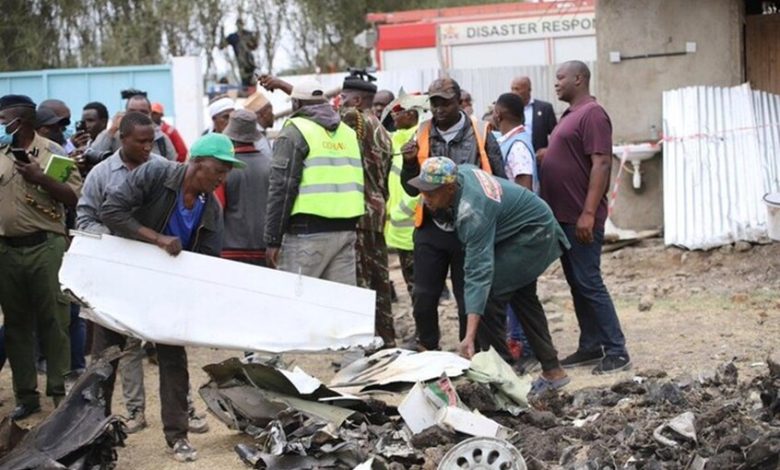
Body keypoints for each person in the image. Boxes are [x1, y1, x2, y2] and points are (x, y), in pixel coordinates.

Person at [99, 133, 243, 462]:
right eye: (219, 169)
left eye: (227, 171)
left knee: (173, 360)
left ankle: (177, 436)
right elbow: (111, 211)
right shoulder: (155, 174)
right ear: (197, 162)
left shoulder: (211, 208)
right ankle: (93, 428)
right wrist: (157, 239)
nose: (223, 177)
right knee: (106, 358)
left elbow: (208, 260)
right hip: (123, 279)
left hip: (167, 291)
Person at [408, 157, 570, 393]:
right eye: (423, 191)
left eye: (432, 193)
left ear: (450, 188)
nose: (426, 198)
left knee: (488, 297)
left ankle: (503, 378)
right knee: (523, 297)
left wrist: (469, 336)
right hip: (524, 229)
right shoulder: (461, 174)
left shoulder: (471, 212)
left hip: (533, 234)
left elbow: (478, 273)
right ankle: (553, 370)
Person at [400, 77, 506, 351]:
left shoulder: (481, 132)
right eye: (434, 103)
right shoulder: (421, 133)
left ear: (459, 102)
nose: (439, 109)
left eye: (445, 103)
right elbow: (410, 189)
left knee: (466, 295)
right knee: (424, 295)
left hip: (470, 225)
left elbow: (500, 182)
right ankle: (427, 345)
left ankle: (467, 349)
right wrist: (409, 163)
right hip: (431, 225)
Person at [540, 60, 631, 374]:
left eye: (560, 77)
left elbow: (602, 163)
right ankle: (591, 345)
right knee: (577, 283)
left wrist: (589, 213)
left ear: (579, 79)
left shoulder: (592, 113)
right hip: (564, 216)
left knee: (589, 282)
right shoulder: (570, 115)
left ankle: (617, 351)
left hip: (580, 216)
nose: (556, 83)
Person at [0, 94, 81, 420]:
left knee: (54, 321)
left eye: (2, 120)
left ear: (19, 122)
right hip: (6, 250)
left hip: (46, 246)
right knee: (16, 324)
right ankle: (26, 396)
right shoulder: (0, 153)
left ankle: (59, 392)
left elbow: (73, 197)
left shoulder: (53, 152)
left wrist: (41, 177)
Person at [263, 79, 364, 286]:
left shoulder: (295, 131)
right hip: (346, 230)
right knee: (338, 302)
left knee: (295, 299)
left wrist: (273, 239)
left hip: (307, 233)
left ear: (296, 104)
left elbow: (282, 188)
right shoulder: (348, 133)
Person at [339, 71, 395, 347]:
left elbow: (317, 110)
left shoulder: (356, 119)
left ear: (357, 101)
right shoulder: (381, 129)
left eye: (344, 98)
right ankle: (386, 341)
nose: (340, 102)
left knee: (360, 284)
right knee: (379, 282)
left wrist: (285, 86)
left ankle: (364, 346)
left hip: (361, 214)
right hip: (376, 212)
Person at [490, 93, 539, 370]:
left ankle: (526, 347)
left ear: (499, 114)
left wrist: (513, 227)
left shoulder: (518, 145)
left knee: (521, 292)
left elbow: (523, 188)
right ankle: (519, 342)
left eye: (494, 111)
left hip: (517, 229)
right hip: (513, 228)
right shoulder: (509, 140)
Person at [384, 91, 426, 300]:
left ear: (410, 114)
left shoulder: (419, 139)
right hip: (400, 227)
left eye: (397, 112)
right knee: (412, 283)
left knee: (421, 286)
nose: (393, 116)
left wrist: (403, 210)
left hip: (414, 223)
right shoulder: (396, 139)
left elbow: (418, 184)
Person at [220, 109, 272, 266]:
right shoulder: (270, 165)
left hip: (230, 250)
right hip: (265, 249)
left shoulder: (223, 168)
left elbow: (217, 209)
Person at [88, 94, 176, 161]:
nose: (137, 115)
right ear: (125, 112)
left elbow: (172, 170)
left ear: (150, 114)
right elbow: (93, 154)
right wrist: (112, 130)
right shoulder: (114, 135)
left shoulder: (161, 139)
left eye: (143, 112)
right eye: (132, 111)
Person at [511, 76, 557, 164]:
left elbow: (556, 135)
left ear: (529, 89)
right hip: (516, 161)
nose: (513, 93)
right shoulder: (509, 110)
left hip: (539, 161)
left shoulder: (544, 108)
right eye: (512, 89)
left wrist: (548, 150)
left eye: (517, 89)